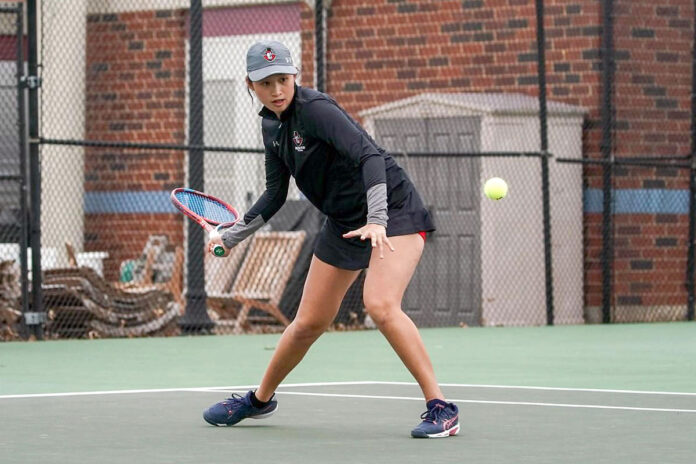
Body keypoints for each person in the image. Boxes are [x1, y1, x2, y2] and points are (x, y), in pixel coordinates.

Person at [203, 40, 459, 438]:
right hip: (343, 220)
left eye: (283, 80)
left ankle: (441, 407)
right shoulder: (271, 125)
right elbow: (274, 194)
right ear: (250, 86)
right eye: (266, 83)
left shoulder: (316, 110)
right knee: (308, 322)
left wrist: (377, 220)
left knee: (380, 304)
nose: (277, 90)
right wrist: (232, 237)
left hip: (392, 209)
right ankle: (259, 400)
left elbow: (370, 156)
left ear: (294, 77)